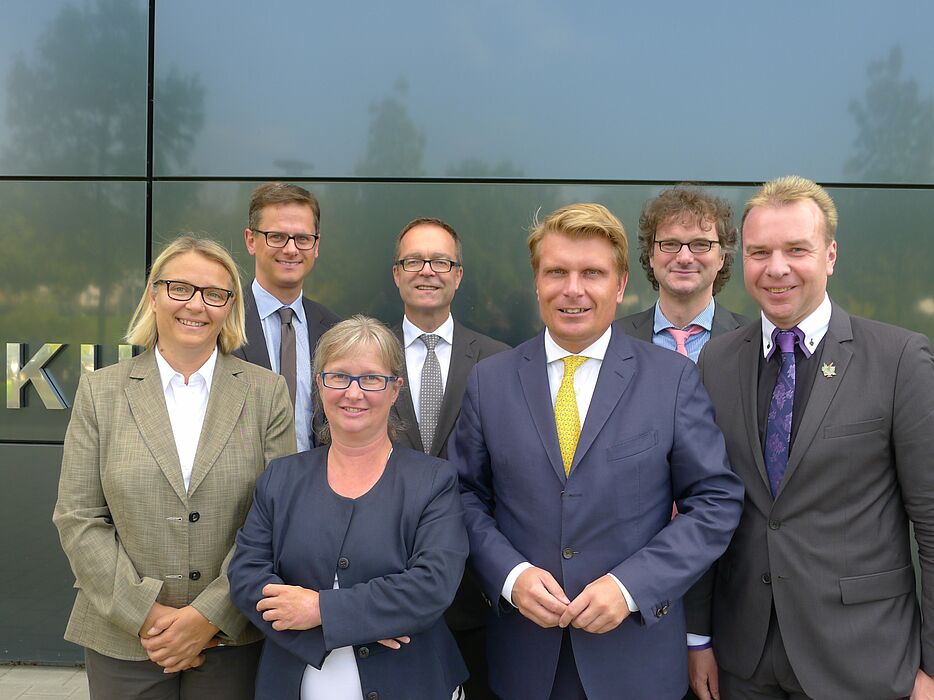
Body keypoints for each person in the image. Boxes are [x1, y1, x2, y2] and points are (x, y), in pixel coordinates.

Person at [448, 203, 744, 700]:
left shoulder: (671, 380)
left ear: (622, 282)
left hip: (635, 661)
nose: (573, 289)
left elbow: (715, 504)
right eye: (557, 272)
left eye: (593, 273)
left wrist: (631, 588)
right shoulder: (490, 381)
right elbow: (461, 496)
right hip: (524, 659)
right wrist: (510, 576)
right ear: (537, 280)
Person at [686, 175, 934, 700]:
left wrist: (932, 669)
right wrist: (699, 636)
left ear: (830, 256)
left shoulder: (899, 359)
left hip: (862, 659)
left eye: (796, 249)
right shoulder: (718, 359)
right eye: (759, 252)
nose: (776, 268)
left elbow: (932, 523)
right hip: (744, 660)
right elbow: (705, 505)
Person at [53, 236, 295, 700]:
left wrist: (208, 617)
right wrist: (147, 614)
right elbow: (78, 517)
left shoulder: (267, 394)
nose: (195, 305)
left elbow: (275, 520)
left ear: (229, 307)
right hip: (122, 637)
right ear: (154, 295)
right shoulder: (100, 392)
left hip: (232, 636)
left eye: (213, 294)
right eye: (180, 288)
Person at [229, 316, 469, 700]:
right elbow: (245, 577)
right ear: (320, 385)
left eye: (371, 378)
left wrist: (321, 610)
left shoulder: (434, 481)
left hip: (413, 684)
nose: (353, 393)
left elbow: (431, 586)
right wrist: (369, 618)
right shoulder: (281, 478)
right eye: (338, 376)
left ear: (395, 390)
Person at [391, 216, 509, 699]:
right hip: (386, 582)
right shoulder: (364, 355)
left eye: (441, 261)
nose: (427, 271)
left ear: (458, 274)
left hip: (474, 591)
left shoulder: (500, 361)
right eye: (414, 260)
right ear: (396, 273)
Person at [236, 182, 341, 452]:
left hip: (316, 488)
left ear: (316, 246)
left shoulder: (334, 329)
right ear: (251, 240)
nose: (291, 249)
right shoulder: (222, 320)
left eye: (302, 238)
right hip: (241, 490)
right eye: (277, 236)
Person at [618, 186, 747, 360]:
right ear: (651, 254)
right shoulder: (614, 339)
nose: (684, 258)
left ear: (722, 257)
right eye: (670, 243)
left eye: (700, 244)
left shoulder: (753, 342)